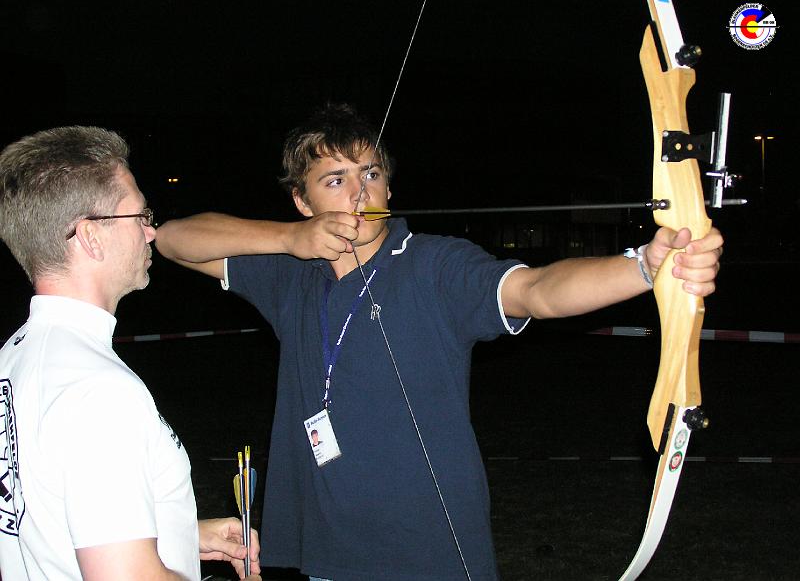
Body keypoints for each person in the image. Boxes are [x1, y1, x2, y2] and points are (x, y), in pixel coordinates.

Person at [155, 103, 724, 581]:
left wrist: (645, 269)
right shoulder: (288, 273)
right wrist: (289, 240)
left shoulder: (433, 266)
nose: (359, 192)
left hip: (425, 555)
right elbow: (173, 240)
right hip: (319, 553)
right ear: (302, 202)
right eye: (335, 180)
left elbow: (537, 291)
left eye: (371, 173)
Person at [0, 126, 261, 581]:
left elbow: (44, 518)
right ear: (90, 237)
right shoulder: (100, 393)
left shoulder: (15, 355)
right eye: (139, 216)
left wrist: (182, 534)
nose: (151, 231)